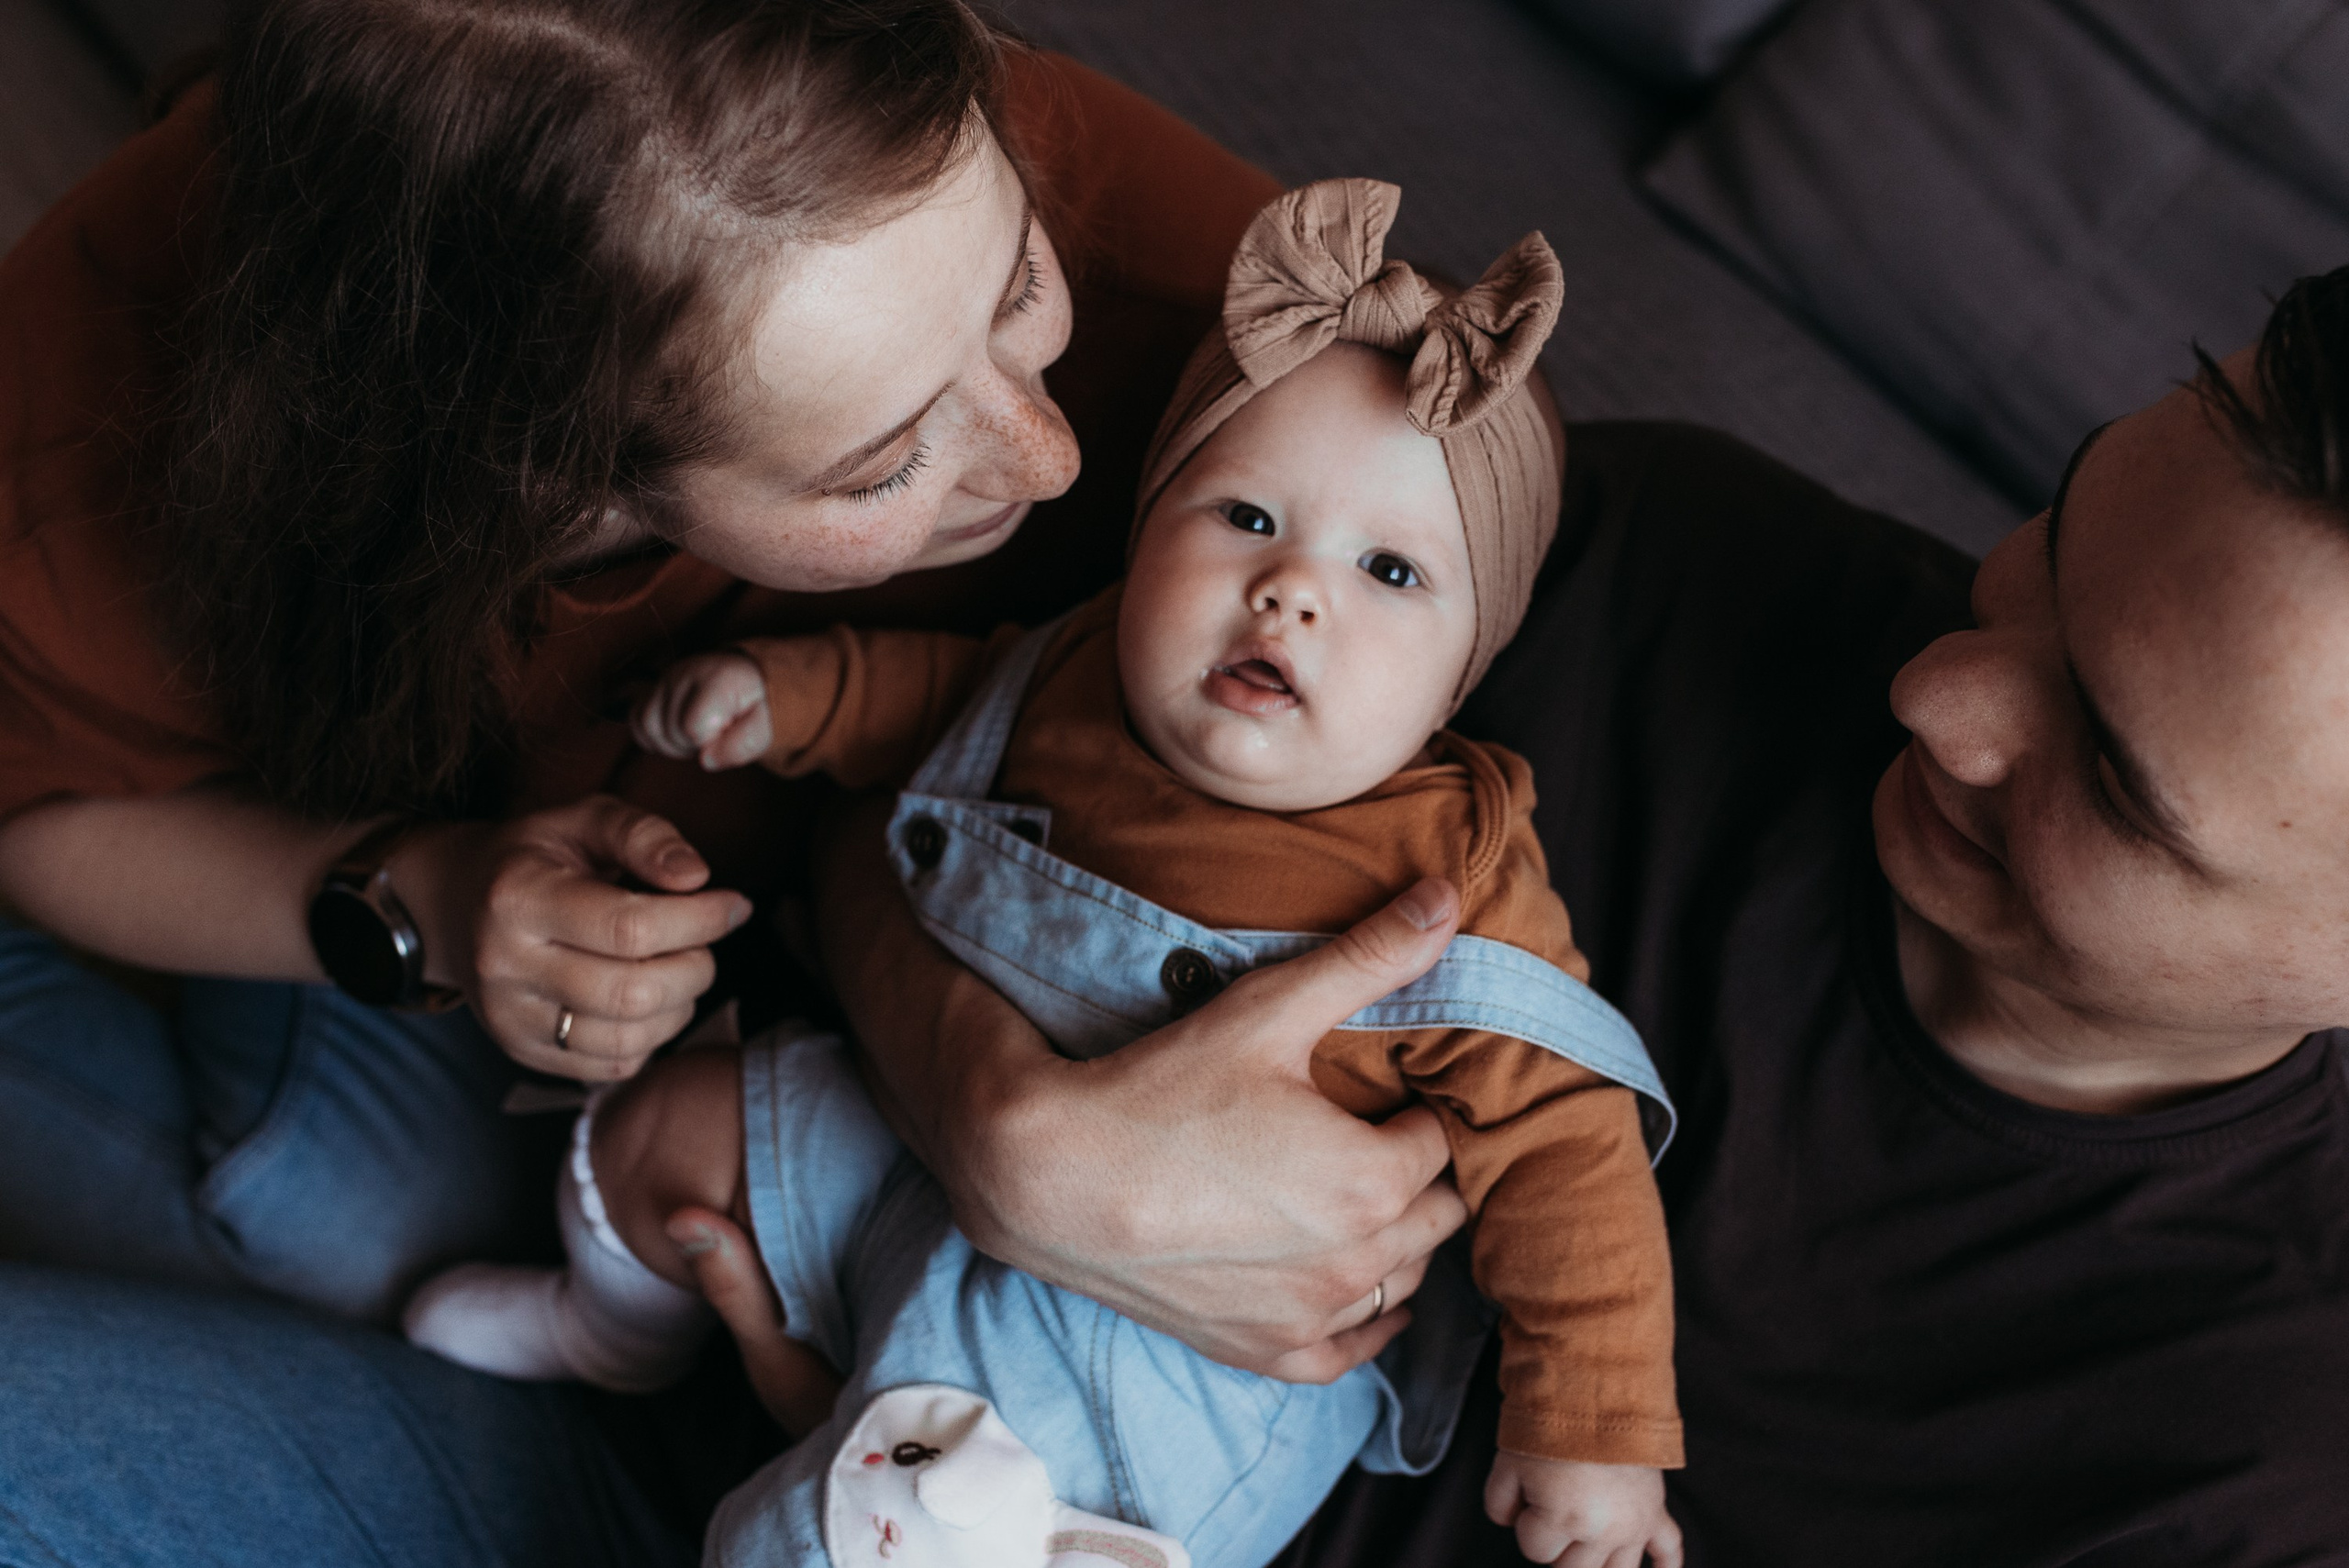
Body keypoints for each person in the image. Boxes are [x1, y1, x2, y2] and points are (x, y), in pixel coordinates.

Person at [0, 0, 1460, 1370]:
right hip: (347, 843)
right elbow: (44, 815)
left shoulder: (990, 194)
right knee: (352, 1222)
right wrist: (427, 892)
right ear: (542, 475)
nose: (1051, 452)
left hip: (797, 1005)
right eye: (880, 462)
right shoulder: (90, 454)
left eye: (1017, 278)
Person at [405, 180, 1681, 1568]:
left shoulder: (1450, 875)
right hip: (915, 1167)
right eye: (1246, 517)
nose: (1292, 590)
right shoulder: (1068, 675)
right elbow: (933, 698)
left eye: (1388, 570)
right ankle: (614, 1332)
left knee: (854, 1548)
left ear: (1465, 668)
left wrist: (1594, 1434)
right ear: (1146, 534)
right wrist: (787, 699)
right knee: (661, 1133)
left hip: (1162, 1365)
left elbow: (1574, 1156)